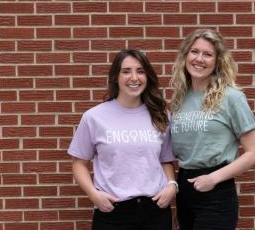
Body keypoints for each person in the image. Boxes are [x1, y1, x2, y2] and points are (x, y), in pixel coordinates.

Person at [68, 49, 177, 230]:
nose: (134, 78)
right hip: (113, 211)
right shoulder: (94, 117)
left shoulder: (161, 116)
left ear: (147, 76)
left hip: (155, 210)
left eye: (140, 71)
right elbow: (78, 163)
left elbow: (166, 160)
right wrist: (93, 195)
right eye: (126, 71)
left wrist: (172, 185)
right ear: (116, 77)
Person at [170, 28, 255, 230]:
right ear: (185, 55)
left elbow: (254, 153)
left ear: (217, 61)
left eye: (208, 54)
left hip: (216, 191)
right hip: (185, 187)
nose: (199, 59)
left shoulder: (232, 98)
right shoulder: (179, 99)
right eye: (194, 52)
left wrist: (213, 178)